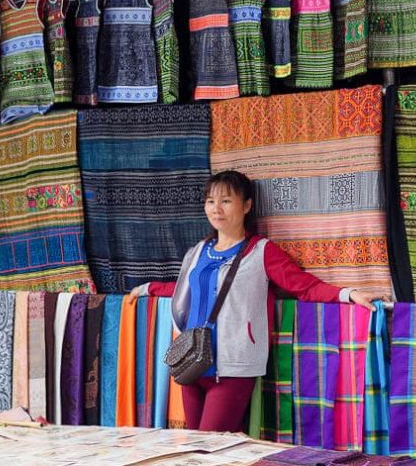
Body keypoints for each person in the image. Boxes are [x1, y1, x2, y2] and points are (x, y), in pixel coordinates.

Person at [131, 170, 389, 432]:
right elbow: (187, 290)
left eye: (226, 201)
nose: (216, 209)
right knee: (195, 449)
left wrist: (349, 294)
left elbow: (303, 286)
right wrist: (149, 288)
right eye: (210, 201)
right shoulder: (199, 251)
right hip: (190, 363)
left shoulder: (261, 251)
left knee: (212, 449)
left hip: (233, 367)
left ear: (247, 205)